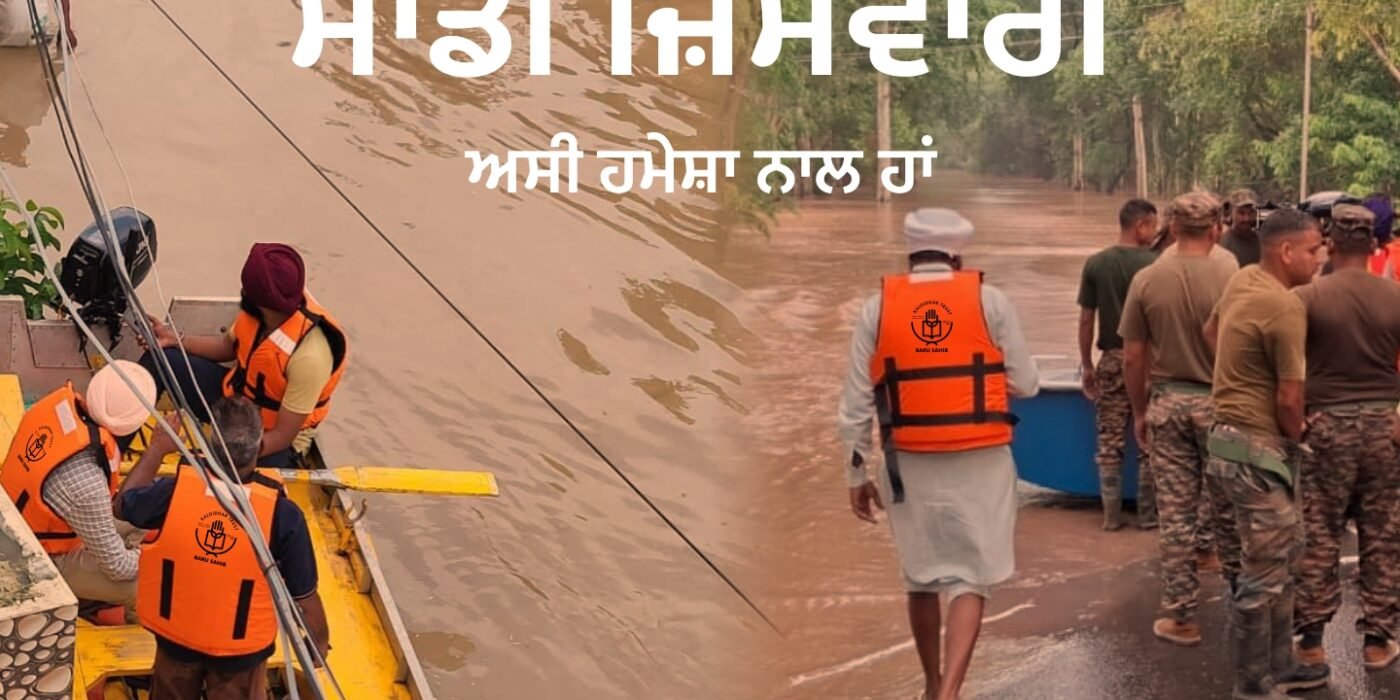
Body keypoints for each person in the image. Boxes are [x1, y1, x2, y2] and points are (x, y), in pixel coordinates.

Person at [838, 209, 1038, 700]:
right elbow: (1028, 384)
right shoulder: (989, 301)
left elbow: (855, 404)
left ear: (910, 255)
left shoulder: (876, 307)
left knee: (921, 577)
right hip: (982, 457)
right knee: (972, 578)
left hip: (908, 459)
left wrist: (856, 473)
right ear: (957, 254)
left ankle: (930, 686)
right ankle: (949, 693)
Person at [115, 396, 330, 700]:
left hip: (176, 639)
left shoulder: (174, 491)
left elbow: (124, 504)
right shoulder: (284, 517)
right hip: (239, 653)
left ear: (210, 444)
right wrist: (319, 645)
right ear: (259, 447)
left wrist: (157, 450)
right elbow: (305, 598)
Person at [1203, 208, 1330, 697]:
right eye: (1314, 249)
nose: (1320, 258)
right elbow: (1289, 397)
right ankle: (1253, 682)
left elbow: (1211, 334)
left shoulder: (1244, 280)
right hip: (1258, 450)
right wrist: (1298, 433)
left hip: (1229, 441)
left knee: (1284, 555)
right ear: (1287, 251)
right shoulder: (1285, 307)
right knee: (1263, 571)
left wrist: (1236, 380)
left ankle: (1280, 664)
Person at [1119, 192, 1241, 647]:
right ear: (1215, 229)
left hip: (1168, 405)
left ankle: (1181, 616)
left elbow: (1134, 358)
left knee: (1175, 516)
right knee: (1229, 509)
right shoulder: (1233, 274)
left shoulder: (1148, 279)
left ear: (1171, 228)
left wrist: (1139, 410)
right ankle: (1243, 605)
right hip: (1222, 406)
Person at [1291, 204, 1400, 671]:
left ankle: (1311, 641)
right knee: (1383, 535)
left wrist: (1295, 420)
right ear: (1376, 244)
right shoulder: (1396, 296)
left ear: (1330, 243)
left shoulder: (1306, 298)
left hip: (1325, 426)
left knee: (1319, 534)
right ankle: (1378, 642)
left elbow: (1286, 370)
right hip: (1384, 427)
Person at [138, 243, 348, 468]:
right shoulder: (261, 313)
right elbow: (225, 347)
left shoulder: (309, 357)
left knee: (193, 467)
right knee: (160, 358)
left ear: (258, 297)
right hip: (236, 403)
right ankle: (107, 459)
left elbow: (283, 435)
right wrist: (174, 339)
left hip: (273, 439)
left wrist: (225, 452)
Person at [0, 360, 155, 607]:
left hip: (19, 522)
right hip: (31, 558)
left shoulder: (54, 406)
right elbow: (119, 568)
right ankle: (102, 608)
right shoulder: (86, 482)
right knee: (144, 584)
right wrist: (152, 560)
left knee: (145, 516)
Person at [1077, 199, 1159, 531]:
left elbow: (1086, 320)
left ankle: (1111, 518)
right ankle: (1148, 517)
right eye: (1153, 226)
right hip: (1151, 362)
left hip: (1111, 358)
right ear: (1141, 226)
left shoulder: (1096, 264)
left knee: (1110, 442)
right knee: (1149, 440)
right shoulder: (1157, 266)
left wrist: (1087, 365)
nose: (1154, 233)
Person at [1220, 189, 1263, 267]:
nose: (1246, 218)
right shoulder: (1222, 244)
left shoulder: (1261, 241)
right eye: (1241, 213)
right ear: (1231, 213)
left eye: (1251, 212)